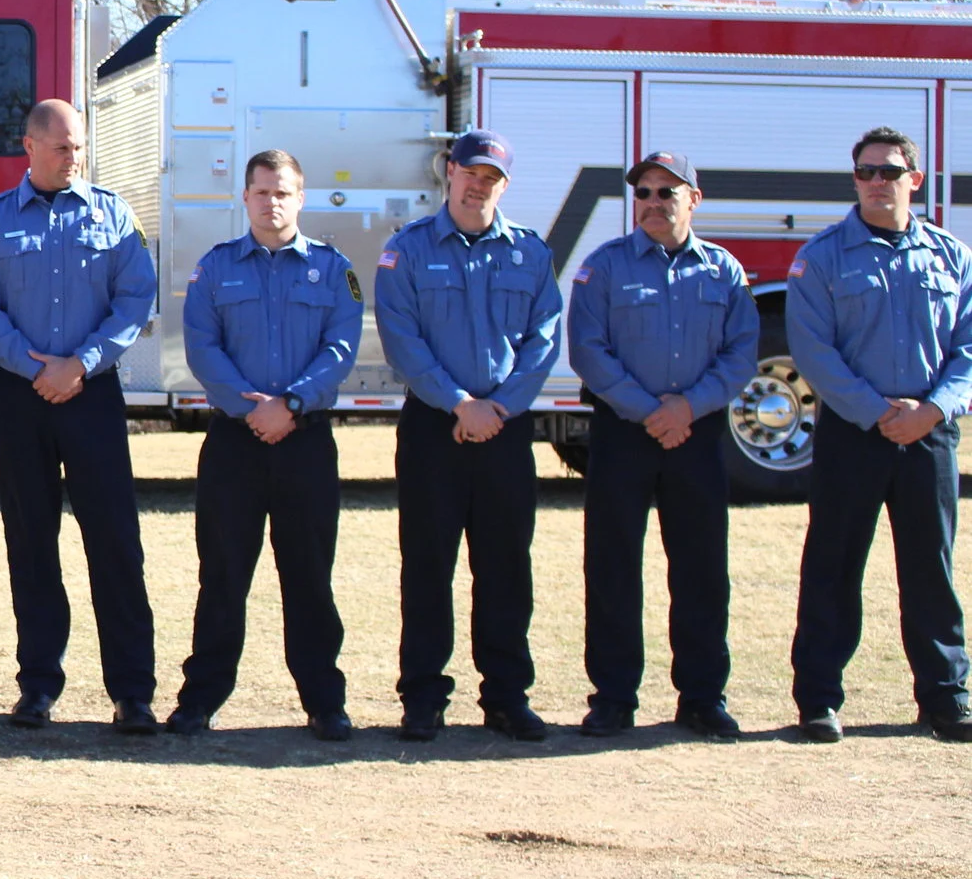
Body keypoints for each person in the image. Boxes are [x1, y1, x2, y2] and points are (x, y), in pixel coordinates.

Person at [0, 100, 158, 735]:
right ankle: (38, 685)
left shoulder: (113, 214)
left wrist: (83, 363)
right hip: (20, 395)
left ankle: (132, 692)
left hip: (92, 393)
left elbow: (135, 297)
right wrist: (33, 365)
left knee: (116, 545)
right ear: (30, 147)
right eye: (62, 148)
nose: (74, 159)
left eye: (79, 148)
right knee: (31, 543)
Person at [784, 127, 972, 744]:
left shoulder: (952, 255)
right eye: (865, 172)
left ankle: (946, 698)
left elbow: (967, 348)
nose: (876, 183)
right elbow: (814, 349)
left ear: (914, 180)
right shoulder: (824, 255)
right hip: (853, 435)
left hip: (929, 435)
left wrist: (933, 411)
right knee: (834, 564)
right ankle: (818, 699)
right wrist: (875, 411)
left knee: (930, 568)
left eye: (889, 172)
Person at [372, 129, 561, 742]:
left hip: (504, 428)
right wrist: (459, 403)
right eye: (470, 172)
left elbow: (543, 339)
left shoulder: (530, 253)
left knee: (506, 567)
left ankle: (507, 696)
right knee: (428, 566)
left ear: (503, 185)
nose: (479, 184)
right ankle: (423, 697)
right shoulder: (408, 250)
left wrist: (498, 408)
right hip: (434, 426)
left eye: (492, 177)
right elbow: (403, 339)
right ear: (448, 172)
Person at [169, 149, 362, 741]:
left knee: (309, 575)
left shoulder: (333, 270)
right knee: (223, 575)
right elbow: (202, 348)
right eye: (261, 192)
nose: (271, 202)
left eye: (283, 192)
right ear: (245, 197)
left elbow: (340, 348)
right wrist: (252, 409)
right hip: (235, 442)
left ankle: (324, 701)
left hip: (305, 442)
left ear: (300, 198)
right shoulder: (217, 267)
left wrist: (292, 405)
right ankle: (201, 698)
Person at [566, 152, 758, 740]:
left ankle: (702, 697)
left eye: (666, 193)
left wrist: (686, 408)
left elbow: (741, 352)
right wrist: (651, 411)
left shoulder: (724, 271)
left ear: (693, 201)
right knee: (613, 567)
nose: (653, 202)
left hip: (695, 437)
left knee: (701, 570)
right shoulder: (603, 268)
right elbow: (588, 352)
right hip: (624, 434)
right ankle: (614, 697)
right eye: (644, 192)